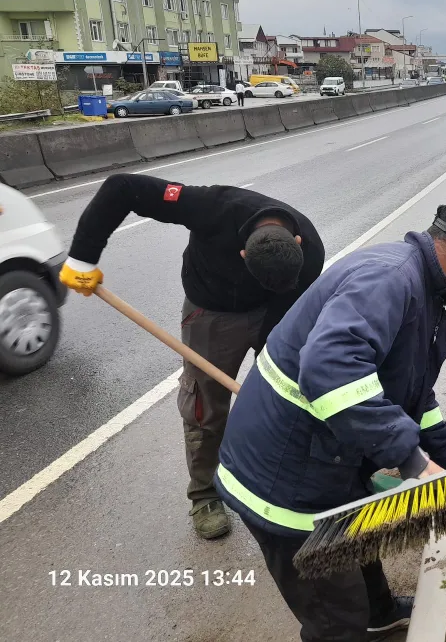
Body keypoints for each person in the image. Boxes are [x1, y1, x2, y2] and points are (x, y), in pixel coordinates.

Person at [215, 194, 446, 642]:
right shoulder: (389, 281)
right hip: (283, 480)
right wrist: (412, 461)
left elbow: (413, 398)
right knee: (336, 617)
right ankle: (355, 625)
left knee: (361, 537)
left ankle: (380, 614)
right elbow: (328, 368)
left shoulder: (420, 288)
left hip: (328, 459)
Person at [59, 174, 324, 539]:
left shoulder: (310, 249)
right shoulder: (210, 207)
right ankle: (204, 494)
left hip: (277, 310)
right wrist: (82, 257)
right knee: (205, 404)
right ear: (243, 254)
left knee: (291, 395)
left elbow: (294, 307)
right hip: (211, 313)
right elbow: (122, 187)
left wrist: (272, 369)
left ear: (298, 244)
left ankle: (285, 479)